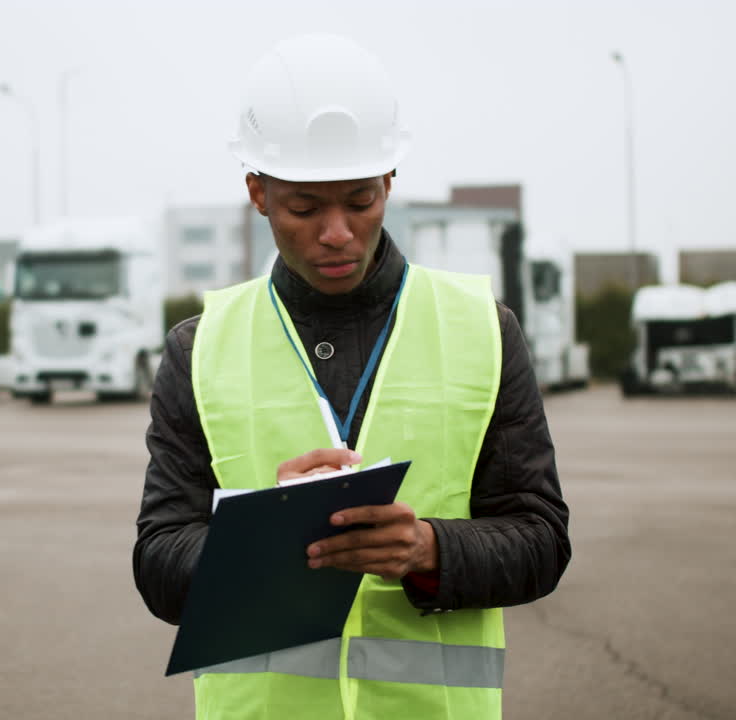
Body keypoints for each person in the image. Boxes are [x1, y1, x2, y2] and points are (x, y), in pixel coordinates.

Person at [134, 33, 570, 720]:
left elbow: (542, 539)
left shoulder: (484, 330)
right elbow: (158, 561)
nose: (336, 232)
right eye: (304, 208)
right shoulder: (201, 348)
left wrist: (428, 549)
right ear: (258, 192)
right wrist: (263, 542)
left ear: (390, 182)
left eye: (360, 201)